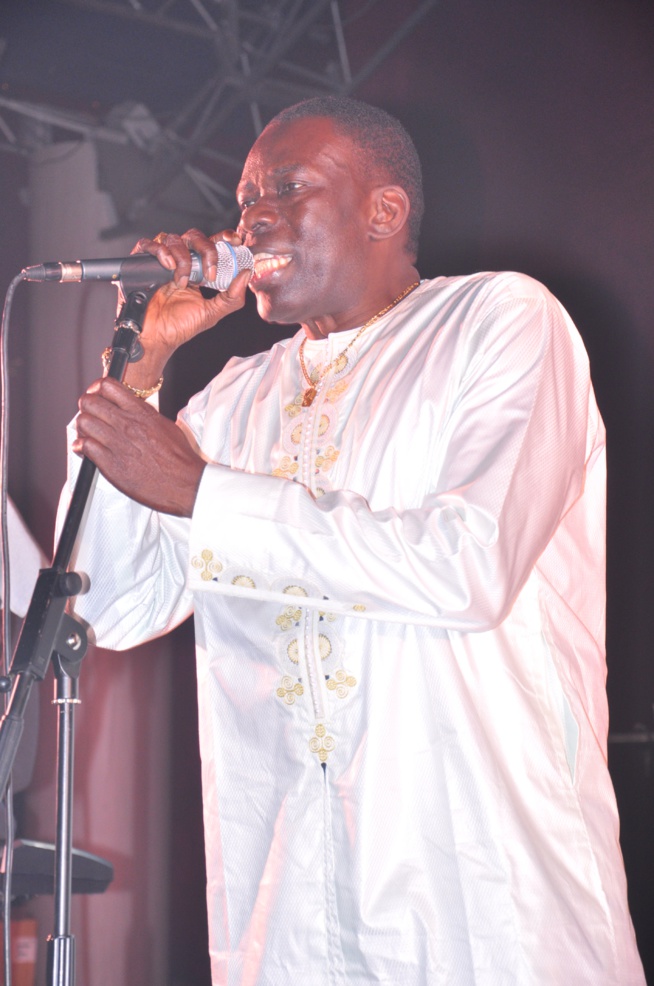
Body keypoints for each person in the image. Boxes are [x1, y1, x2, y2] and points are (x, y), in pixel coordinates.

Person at [63, 97, 644, 985]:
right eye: (245, 198)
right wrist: (139, 369)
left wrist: (203, 493)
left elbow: (469, 566)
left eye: (287, 188)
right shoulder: (231, 402)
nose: (252, 219)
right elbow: (111, 605)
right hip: (288, 921)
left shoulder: (500, 322)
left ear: (385, 210)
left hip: (488, 907)